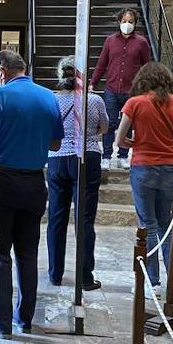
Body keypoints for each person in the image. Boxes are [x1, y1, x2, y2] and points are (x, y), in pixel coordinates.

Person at [0, 49, 63, 337]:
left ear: (1, 72)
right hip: (35, 182)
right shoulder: (48, 96)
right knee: (27, 252)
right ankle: (24, 317)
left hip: (1, 179)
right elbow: (56, 145)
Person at [117, 62, 173, 296]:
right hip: (168, 166)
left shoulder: (134, 103)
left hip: (143, 166)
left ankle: (153, 281)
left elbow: (119, 139)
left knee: (148, 224)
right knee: (166, 224)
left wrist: (132, 143)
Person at [46, 56, 111, 291]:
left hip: (56, 159)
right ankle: (85, 276)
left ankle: (55, 273)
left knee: (56, 217)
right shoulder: (93, 100)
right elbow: (104, 127)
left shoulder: (51, 100)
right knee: (84, 219)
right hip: (87, 157)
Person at [90, 8, 152, 169]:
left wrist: (148, 86)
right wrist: (93, 82)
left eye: (130, 22)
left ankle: (123, 155)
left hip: (132, 90)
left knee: (128, 124)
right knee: (109, 122)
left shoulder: (141, 42)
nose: (127, 24)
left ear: (135, 24)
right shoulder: (110, 41)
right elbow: (102, 63)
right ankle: (106, 155)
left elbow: (147, 66)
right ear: (119, 22)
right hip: (111, 88)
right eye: (124, 21)